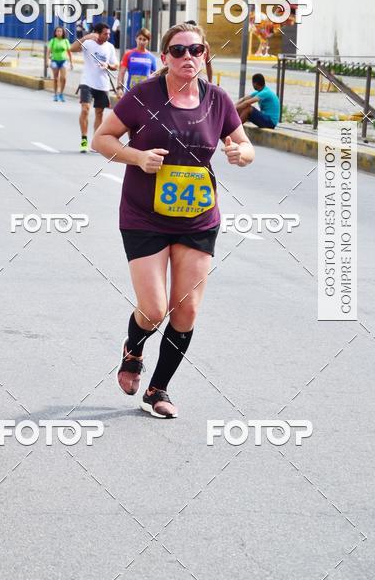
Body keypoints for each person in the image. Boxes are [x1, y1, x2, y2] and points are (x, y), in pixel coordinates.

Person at [92, 22, 254, 419]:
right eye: (178, 51)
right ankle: (133, 352)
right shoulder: (143, 96)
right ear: (164, 58)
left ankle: (158, 389)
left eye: (195, 50)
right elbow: (103, 138)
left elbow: (243, 144)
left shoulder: (217, 99)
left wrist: (241, 154)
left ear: (205, 56)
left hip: (198, 217)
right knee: (153, 308)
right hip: (143, 215)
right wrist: (137, 157)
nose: (187, 57)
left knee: (187, 310)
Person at [69, 21, 118, 153]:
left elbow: (115, 66)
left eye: (109, 33)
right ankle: (84, 139)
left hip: (102, 84)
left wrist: (107, 65)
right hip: (87, 82)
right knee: (85, 109)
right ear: (98, 33)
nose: (108, 36)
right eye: (105, 33)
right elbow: (72, 48)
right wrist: (85, 37)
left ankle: (95, 142)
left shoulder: (110, 47)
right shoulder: (88, 44)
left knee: (99, 113)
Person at [48, 25, 73, 102]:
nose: (59, 32)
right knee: (56, 78)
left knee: (64, 78)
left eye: (60, 31)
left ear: (63, 33)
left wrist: (71, 62)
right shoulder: (52, 40)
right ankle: (55, 94)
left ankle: (61, 94)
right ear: (55, 33)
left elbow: (69, 52)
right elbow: (48, 51)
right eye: (57, 31)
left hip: (63, 61)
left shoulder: (66, 41)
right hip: (54, 61)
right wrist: (47, 61)